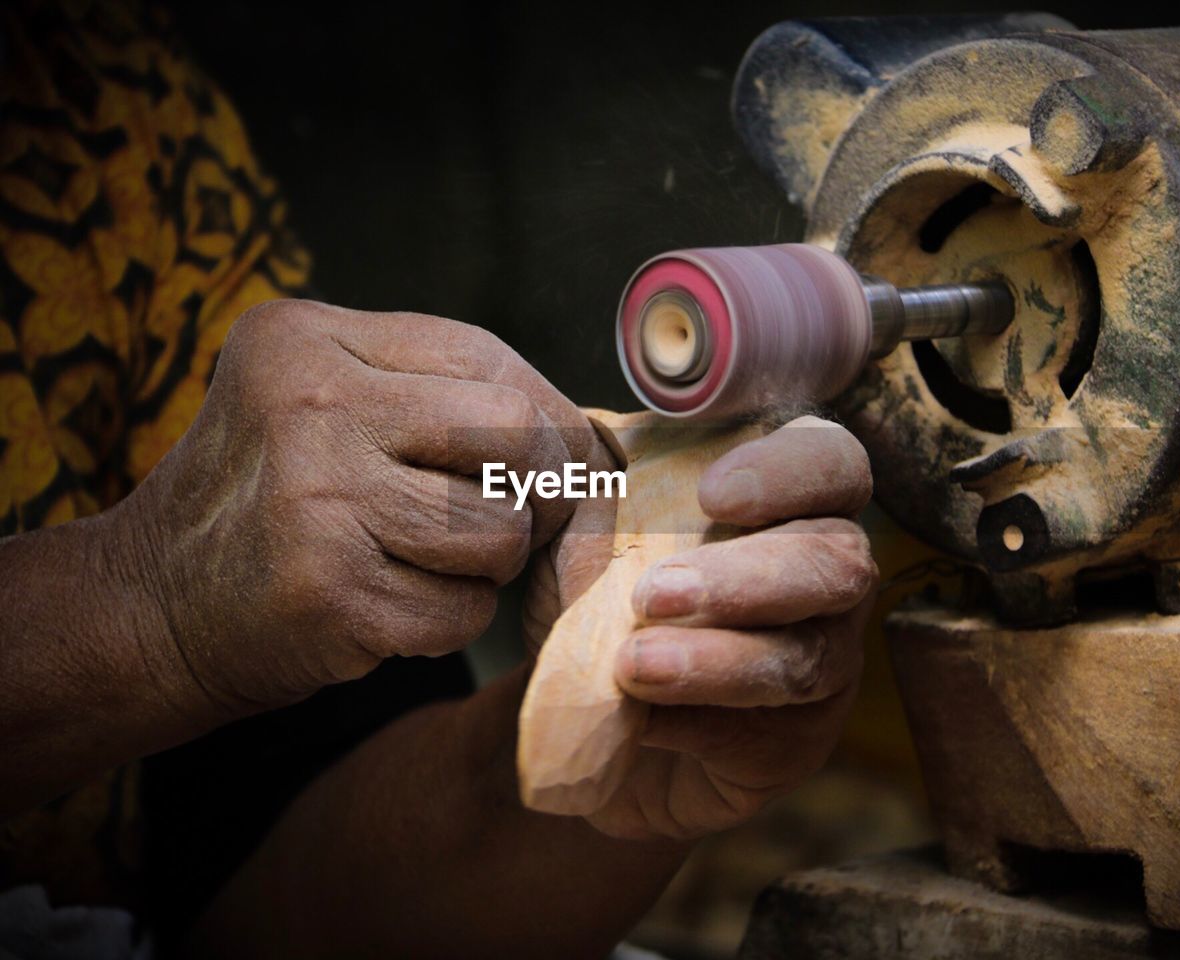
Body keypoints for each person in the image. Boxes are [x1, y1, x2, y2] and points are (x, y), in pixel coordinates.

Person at [0, 2, 878, 957]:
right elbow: (168, 604)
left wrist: (592, 766)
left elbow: (253, 902)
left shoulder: (106, 104)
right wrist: (146, 606)